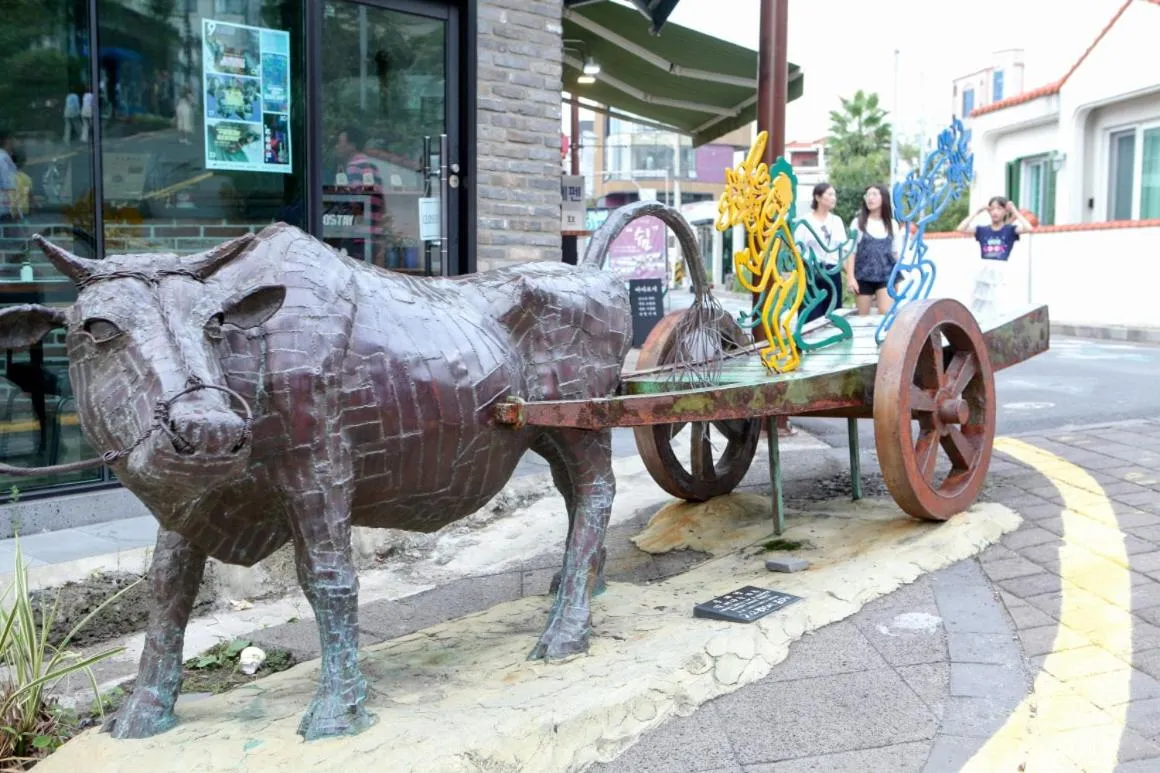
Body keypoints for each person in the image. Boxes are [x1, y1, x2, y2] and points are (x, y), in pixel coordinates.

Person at [956, 196, 1033, 315]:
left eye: (999, 209)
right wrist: (977, 211)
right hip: (985, 272)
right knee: (982, 305)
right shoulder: (982, 230)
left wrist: (1014, 211)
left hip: (1002, 272)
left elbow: (1029, 228)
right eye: (992, 209)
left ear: (1005, 211)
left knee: (1000, 304)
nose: (995, 212)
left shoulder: (1010, 230)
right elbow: (961, 228)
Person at [793, 182, 848, 324]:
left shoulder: (837, 221)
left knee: (832, 313)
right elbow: (798, 248)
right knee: (811, 313)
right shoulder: (805, 221)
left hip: (832, 271)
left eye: (834, 195)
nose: (833, 198)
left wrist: (849, 274)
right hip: (812, 271)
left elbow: (842, 249)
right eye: (829, 194)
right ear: (818, 197)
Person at [845, 184, 900, 316]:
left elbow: (895, 253)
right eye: (868, 195)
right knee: (863, 315)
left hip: (886, 275)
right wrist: (850, 277)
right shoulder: (857, 223)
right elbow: (851, 252)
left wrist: (898, 277)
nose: (870, 198)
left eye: (874, 194)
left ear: (883, 198)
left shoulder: (892, 224)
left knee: (885, 312)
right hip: (863, 275)